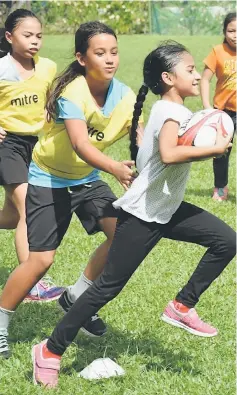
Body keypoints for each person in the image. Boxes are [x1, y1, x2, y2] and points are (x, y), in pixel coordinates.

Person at [31, 40, 236, 388]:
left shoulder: (175, 113)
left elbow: (152, 158)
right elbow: (169, 155)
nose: (196, 77)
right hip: (143, 215)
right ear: (168, 78)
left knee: (226, 240)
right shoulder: (169, 112)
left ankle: (182, 306)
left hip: (166, 209)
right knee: (106, 288)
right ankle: (49, 351)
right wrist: (213, 149)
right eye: (190, 71)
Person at [0, 21, 144, 359]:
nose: (110, 60)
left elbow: (139, 133)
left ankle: (75, 297)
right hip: (49, 178)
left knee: (124, 234)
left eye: (114, 52)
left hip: (87, 179)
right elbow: (80, 143)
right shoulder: (72, 92)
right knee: (40, 260)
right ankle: (1, 322)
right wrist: (115, 168)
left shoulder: (124, 96)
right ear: (81, 57)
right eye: (100, 53)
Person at [0, 9, 64, 308]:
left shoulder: (48, 67)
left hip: (34, 146)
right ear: (9, 36)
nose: (35, 41)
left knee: (11, 218)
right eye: (28, 35)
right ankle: (31, 285)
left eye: (39, 35)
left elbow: (56, 101)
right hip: (6, 146)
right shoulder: (1, 68)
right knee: (28, 210)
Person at [200, 12, 236, 201]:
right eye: (231, 31)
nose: (235, 35)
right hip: (224, 112)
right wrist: (208, 108)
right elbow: (205, 80)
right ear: (224, 31)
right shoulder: (217, 51)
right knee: (221, 151)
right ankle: (220, 188)